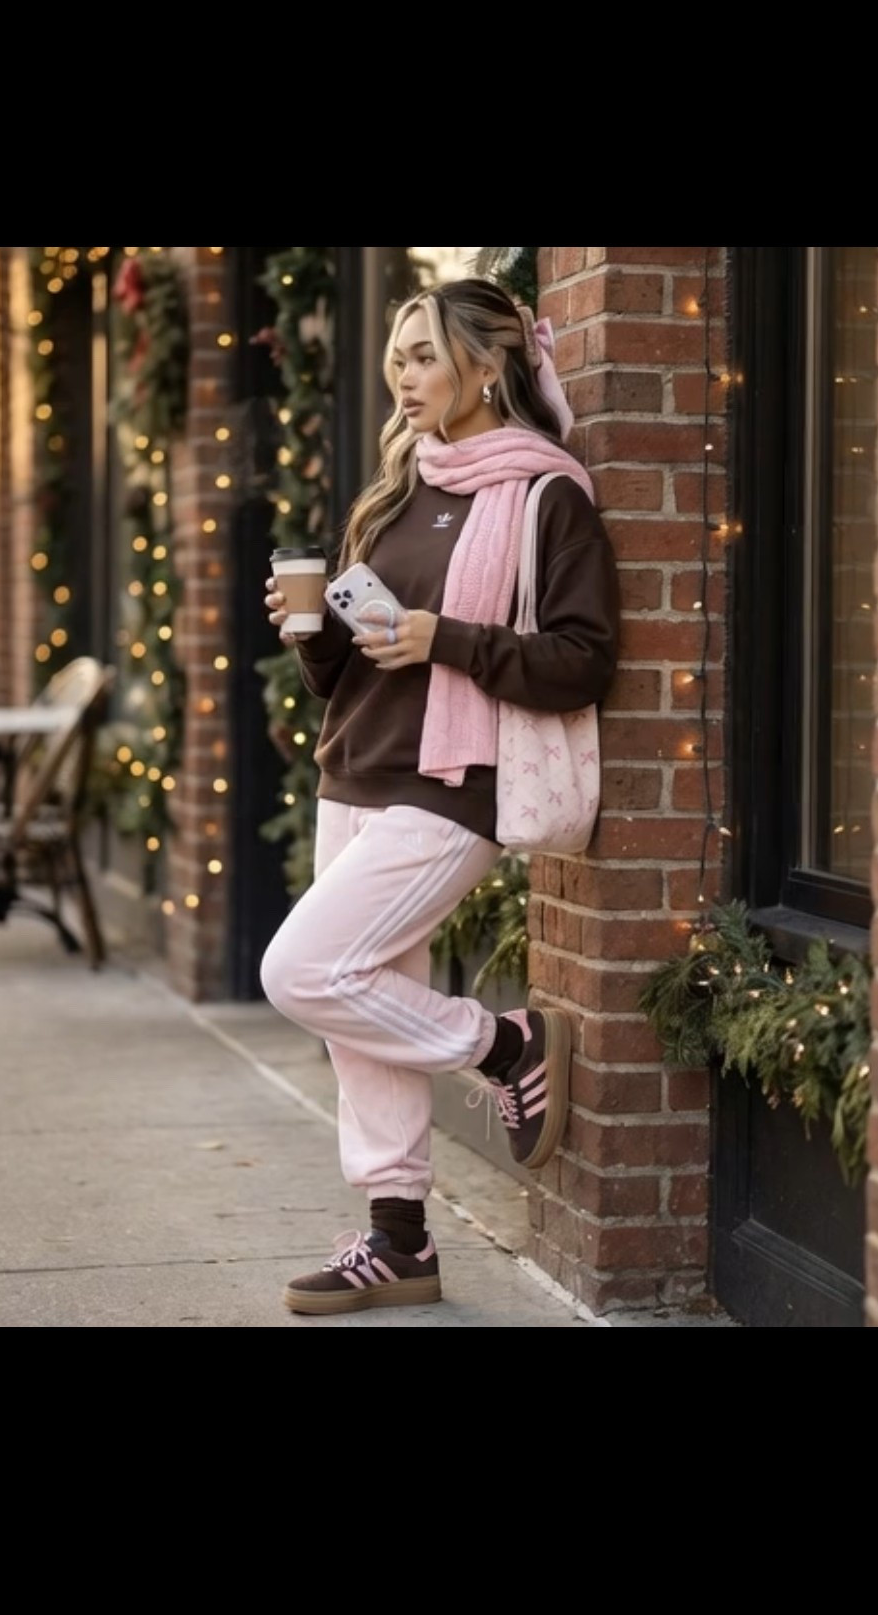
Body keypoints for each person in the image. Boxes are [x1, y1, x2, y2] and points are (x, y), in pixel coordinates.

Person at [261, 277, 620, 1315]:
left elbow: (582, 660)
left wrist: (443, 639)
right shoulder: (397, 490)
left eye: (422, 356)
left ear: (486, 365)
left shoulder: (548, 495)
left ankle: (505, 1046)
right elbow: (352, 676)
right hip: (356, 770)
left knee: (304, 969)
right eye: (396, 359)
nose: (402, 377)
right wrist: (314, 634)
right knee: (355, 1010)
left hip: (450, 787)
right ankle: (400, 1241)